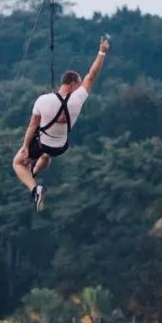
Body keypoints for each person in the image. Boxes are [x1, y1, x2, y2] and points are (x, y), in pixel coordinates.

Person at [13, 37, 109, 210]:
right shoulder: (78, 99)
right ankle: (33, 173)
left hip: (43, 143)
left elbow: (32, 124)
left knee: (18, 162)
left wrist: (26, 146)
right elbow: (92, 75)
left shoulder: (43, 100)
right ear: (72, 84)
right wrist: (102, 51)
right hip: (60, 146)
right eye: (78, 84)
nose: (80, 87)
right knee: (46, 156)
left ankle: (35, 188)